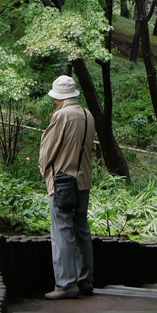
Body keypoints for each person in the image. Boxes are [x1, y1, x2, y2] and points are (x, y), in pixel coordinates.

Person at [38, 73, 96, 300]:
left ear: (58, 97)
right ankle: (85, 279)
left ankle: (66, 284)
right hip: (83, 181)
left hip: (63, 182)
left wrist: (43, 168)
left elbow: (48, 149)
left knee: (62, 232)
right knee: (82, 229)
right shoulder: (87, 115)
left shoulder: (62, 115)